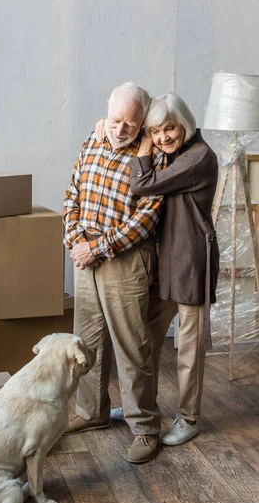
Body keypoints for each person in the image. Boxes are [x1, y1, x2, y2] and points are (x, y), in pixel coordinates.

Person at [95, 92, 219, 446]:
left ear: (184, 124)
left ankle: (189, 417)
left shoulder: (197, 157)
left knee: (189, 348)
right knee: (145, 338)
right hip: (165, 261)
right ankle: (142, 407)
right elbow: (122, 126)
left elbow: (141, 184)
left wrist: (145, 148)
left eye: (170, 128)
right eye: (156, 131)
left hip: (191, 260)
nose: (164, 137)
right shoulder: (175, 154)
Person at [63, 82, 164, 464]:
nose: (121, 128)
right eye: (117, 119)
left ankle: (145, 429)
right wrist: (75, 239)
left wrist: (98, 248)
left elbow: (148, 216)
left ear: (143, 123)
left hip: (125, 258)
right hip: (84, 256)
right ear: (107, 109)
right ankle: (92, 413)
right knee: (86, 342)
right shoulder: (94, 137)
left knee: (132, 347)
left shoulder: (151, 155)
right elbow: (73, 191)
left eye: (131, 123)